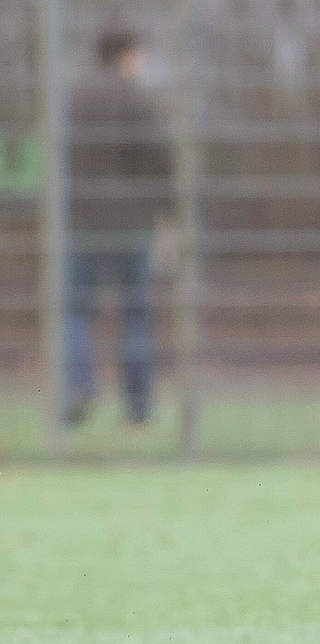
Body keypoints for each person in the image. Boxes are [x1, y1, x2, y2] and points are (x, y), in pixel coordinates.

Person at [64, 29, 173, 427]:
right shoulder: (137, 98)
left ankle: (78, 385)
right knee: (136, 315)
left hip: (80, 222)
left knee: (74, 311)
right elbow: (161, 159)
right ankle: (138, 409)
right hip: (132, 224)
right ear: (127, 56)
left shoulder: (75, 99)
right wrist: (169, 212)